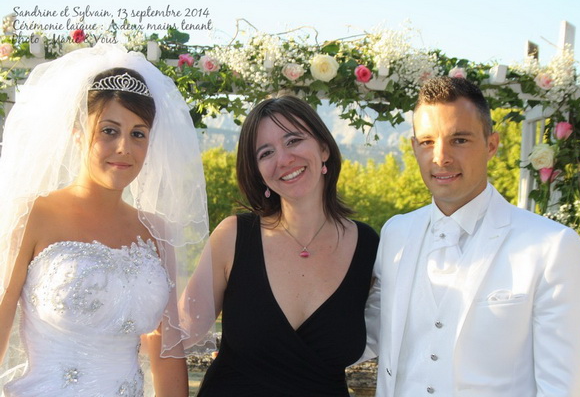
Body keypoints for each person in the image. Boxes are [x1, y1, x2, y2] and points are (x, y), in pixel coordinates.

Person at [0, 44, 215, 396]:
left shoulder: (156, 231)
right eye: (109, 130)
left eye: (138, 134)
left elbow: (166, 350)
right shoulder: (32, 215)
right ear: (78, 133)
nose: (124, 149)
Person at [363, 76, 580, 396]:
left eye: (459, 139)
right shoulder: (395, 233)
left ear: (492, 144)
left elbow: (561, 388)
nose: (440, 157)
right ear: (414, 148)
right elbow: (366, 334)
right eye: (427, 141)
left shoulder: (551, 247)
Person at [188, 95, 379, 396]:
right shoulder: (233, 237)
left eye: (293, 140)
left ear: (324, 148)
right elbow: (178, 335)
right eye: (266, 153)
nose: (284, 159)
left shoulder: (369, 247)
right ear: (258, 171)